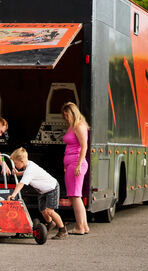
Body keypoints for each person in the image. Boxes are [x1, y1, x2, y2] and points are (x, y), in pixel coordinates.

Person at [8, 147, 67, 240]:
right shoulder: (29, 165)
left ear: (22, 161)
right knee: (42, 210)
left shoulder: (30, 169)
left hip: (52, 188)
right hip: (43, 191)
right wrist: (18, 173)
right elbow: (26, 172)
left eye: (15, 163)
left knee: (49, 211)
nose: (14, 165)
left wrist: (13, 195)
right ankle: (50, 223)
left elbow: (21, 184)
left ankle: (62, 230)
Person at [61, 101, 90, 235]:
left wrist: (78, 164)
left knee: (75, 196)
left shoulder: (79, 126)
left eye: (67, 115)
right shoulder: (73, 126)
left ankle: (80, 226)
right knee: (74, 196)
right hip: (70, 163)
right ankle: (84, 225)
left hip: (76, 163)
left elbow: (84, 146)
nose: (65, 118)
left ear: (72, 114)